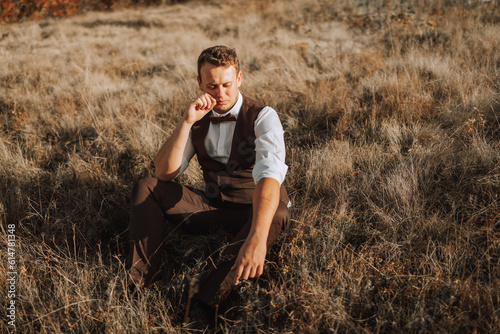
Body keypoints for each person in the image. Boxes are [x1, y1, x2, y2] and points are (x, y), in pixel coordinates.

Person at [127, 45, 290, 327]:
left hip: (255, 208)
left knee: (276, 213)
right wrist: (187, 122)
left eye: (227, 84)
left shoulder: (263, 117)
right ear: (200, 83)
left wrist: (257, 237)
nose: (221, 93)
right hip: (214, 205)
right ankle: (140, 286)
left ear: (239, 78)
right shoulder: (198, 117)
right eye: (212, 86)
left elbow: (269, 177)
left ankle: (204, 305)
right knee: (149, 187)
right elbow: (165, 173)